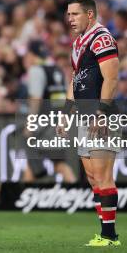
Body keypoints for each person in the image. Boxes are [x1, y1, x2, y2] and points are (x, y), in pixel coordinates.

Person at [59, 0, 121, 247]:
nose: (69, 19)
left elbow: (112, 78)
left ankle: (109, 235)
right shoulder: (78, 43)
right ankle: (103, 232)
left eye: (75, 14)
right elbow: (76, 80)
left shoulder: (102, 38)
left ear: (90, 15)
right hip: (85, 115)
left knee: (103, 175)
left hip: (101, 116)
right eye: (68, 14)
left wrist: (103, 111)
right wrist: (65, 113)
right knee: (93, 177)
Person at [22, 40, 77, 183]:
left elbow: (36, 98)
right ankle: (23, 201)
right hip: (57, 123)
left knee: (58, 165)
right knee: (36, 162)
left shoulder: (36, 70)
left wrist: (30, 123)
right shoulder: (57, 70)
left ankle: (79, 194)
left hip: (43, 124)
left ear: (31, 54)